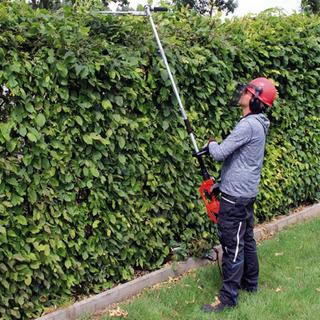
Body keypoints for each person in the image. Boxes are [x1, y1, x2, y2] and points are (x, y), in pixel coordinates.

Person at [202, 77, 277, 313]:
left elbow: (220, 153)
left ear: (254, 101)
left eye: (247, 91)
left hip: (234, 197)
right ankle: (250, 283)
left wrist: (211, 143)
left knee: (233, 244)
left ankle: (228, 299)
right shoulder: (258, 123)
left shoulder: (248, 125)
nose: (242, 93)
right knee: (246, 240)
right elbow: (237, 157)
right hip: (245, 193)